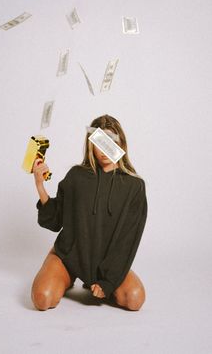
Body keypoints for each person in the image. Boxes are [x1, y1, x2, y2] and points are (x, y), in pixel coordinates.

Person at [31, 114, 148, 311]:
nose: (104, 150)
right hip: (69, 257)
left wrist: (108, 282)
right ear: (90, 144)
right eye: (99, 142)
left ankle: (95, 280)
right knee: (42, 299)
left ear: (121, 144)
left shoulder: (134, 187)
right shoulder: (77, 176)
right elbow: (55, 220)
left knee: (135, 299)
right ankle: (66, 279)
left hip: (107, 264)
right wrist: (40, 186)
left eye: (110, 142)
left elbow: (128, 240)